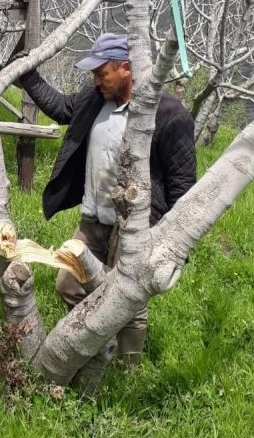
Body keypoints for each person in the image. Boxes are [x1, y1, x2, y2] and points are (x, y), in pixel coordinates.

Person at [19, 32, 196, 366]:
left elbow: (183, 185)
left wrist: (174, 245)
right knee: (68, 283)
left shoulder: (169, 116)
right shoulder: (96, 98)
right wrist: (27, 73)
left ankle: (127, 369)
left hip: (134, 226)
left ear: (126, 69)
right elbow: (61, 108)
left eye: (102, 72)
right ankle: (98, 344)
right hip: (93, 218)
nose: (96, 80)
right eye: (94, 74)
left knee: (128, 302)